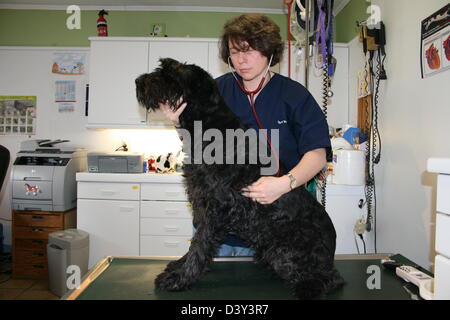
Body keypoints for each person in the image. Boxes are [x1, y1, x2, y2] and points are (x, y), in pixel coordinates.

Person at [160, 13, 331, 257]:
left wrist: (284, 184)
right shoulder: (215, 90)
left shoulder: (294, 96)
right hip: (216, 229)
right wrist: (179, 122)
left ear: (268, 51)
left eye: (249, 50)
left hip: (271, 228)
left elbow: (317, 154)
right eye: (234, 51)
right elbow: (198, 144)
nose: (241, 60)